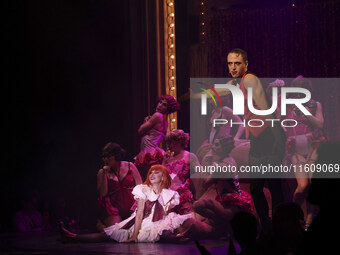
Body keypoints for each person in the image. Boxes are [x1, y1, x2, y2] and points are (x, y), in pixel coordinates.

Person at [226, 48, 286, 232]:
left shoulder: (250, 79)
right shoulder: (238, 82)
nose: (233, 67)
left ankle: (276, 227)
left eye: (237, 63)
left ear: (246, 64)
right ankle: (269, 227)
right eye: (230, 63)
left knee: (272, 184)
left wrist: (277, 137)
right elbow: (220, 90)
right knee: (257, 187)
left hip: (269, 134)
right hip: (258, 138)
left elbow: (265, 110)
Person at [60, 165, 194, 243]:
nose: (152, 174)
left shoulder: (170, 194)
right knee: (109, 234)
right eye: (150, 172)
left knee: (164, 230)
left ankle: (178, 237)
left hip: (159, 221)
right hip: (141, 222)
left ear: (163, 177)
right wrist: (135, 235)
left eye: (156, 172)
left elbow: (164, 214)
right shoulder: (143, 189)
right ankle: (73, 236)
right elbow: (140, 212)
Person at [193, 135, 253, 239]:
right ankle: (224, 226)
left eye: (216, 145)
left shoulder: (224, 165)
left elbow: (205, 182)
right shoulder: (226, 160)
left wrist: (208, 159)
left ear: (224, 147)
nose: (212, 147)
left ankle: (225, 226)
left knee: (198, 206)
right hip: (227, 202)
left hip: (233, 206)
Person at [285, 76, 325, 228]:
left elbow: (320, 124)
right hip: (296, 148)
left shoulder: (315, 104)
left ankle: (309, 219)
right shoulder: (287, 106)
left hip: (313, 145)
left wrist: (304, 111)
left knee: (312, 184)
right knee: (302, 185)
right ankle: (293, 216)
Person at [97, 142, 142, 230]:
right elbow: (103, 193)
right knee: (116, 232)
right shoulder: (102, 172)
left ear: (116, 155)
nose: (105, 159)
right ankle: (100, 226)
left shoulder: (130, 166)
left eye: (108, 156)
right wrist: (104, 174)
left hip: (132, 207)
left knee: (136, 230)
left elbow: (141, 187)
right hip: (114, 210)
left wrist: (140, 206)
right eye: (104, 157)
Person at [134, 95, 180, 179]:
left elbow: (140, 130)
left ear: (168, 109)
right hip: (153, 152)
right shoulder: (166, 122)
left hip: (148, 153)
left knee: (146, 180)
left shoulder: (157, 115)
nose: (159, 105)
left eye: (164, 105)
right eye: (160, 102)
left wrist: (145, 122)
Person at [162, 129, 196, 214]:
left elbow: (200, 173)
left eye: (172, 142)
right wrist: (164, 161)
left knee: (186, 221)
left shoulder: (189, 156)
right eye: (168, 142)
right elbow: (161, 175)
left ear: (180, 142)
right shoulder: (168, 157)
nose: (170, 145)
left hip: (182, 196)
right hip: (167, 197)